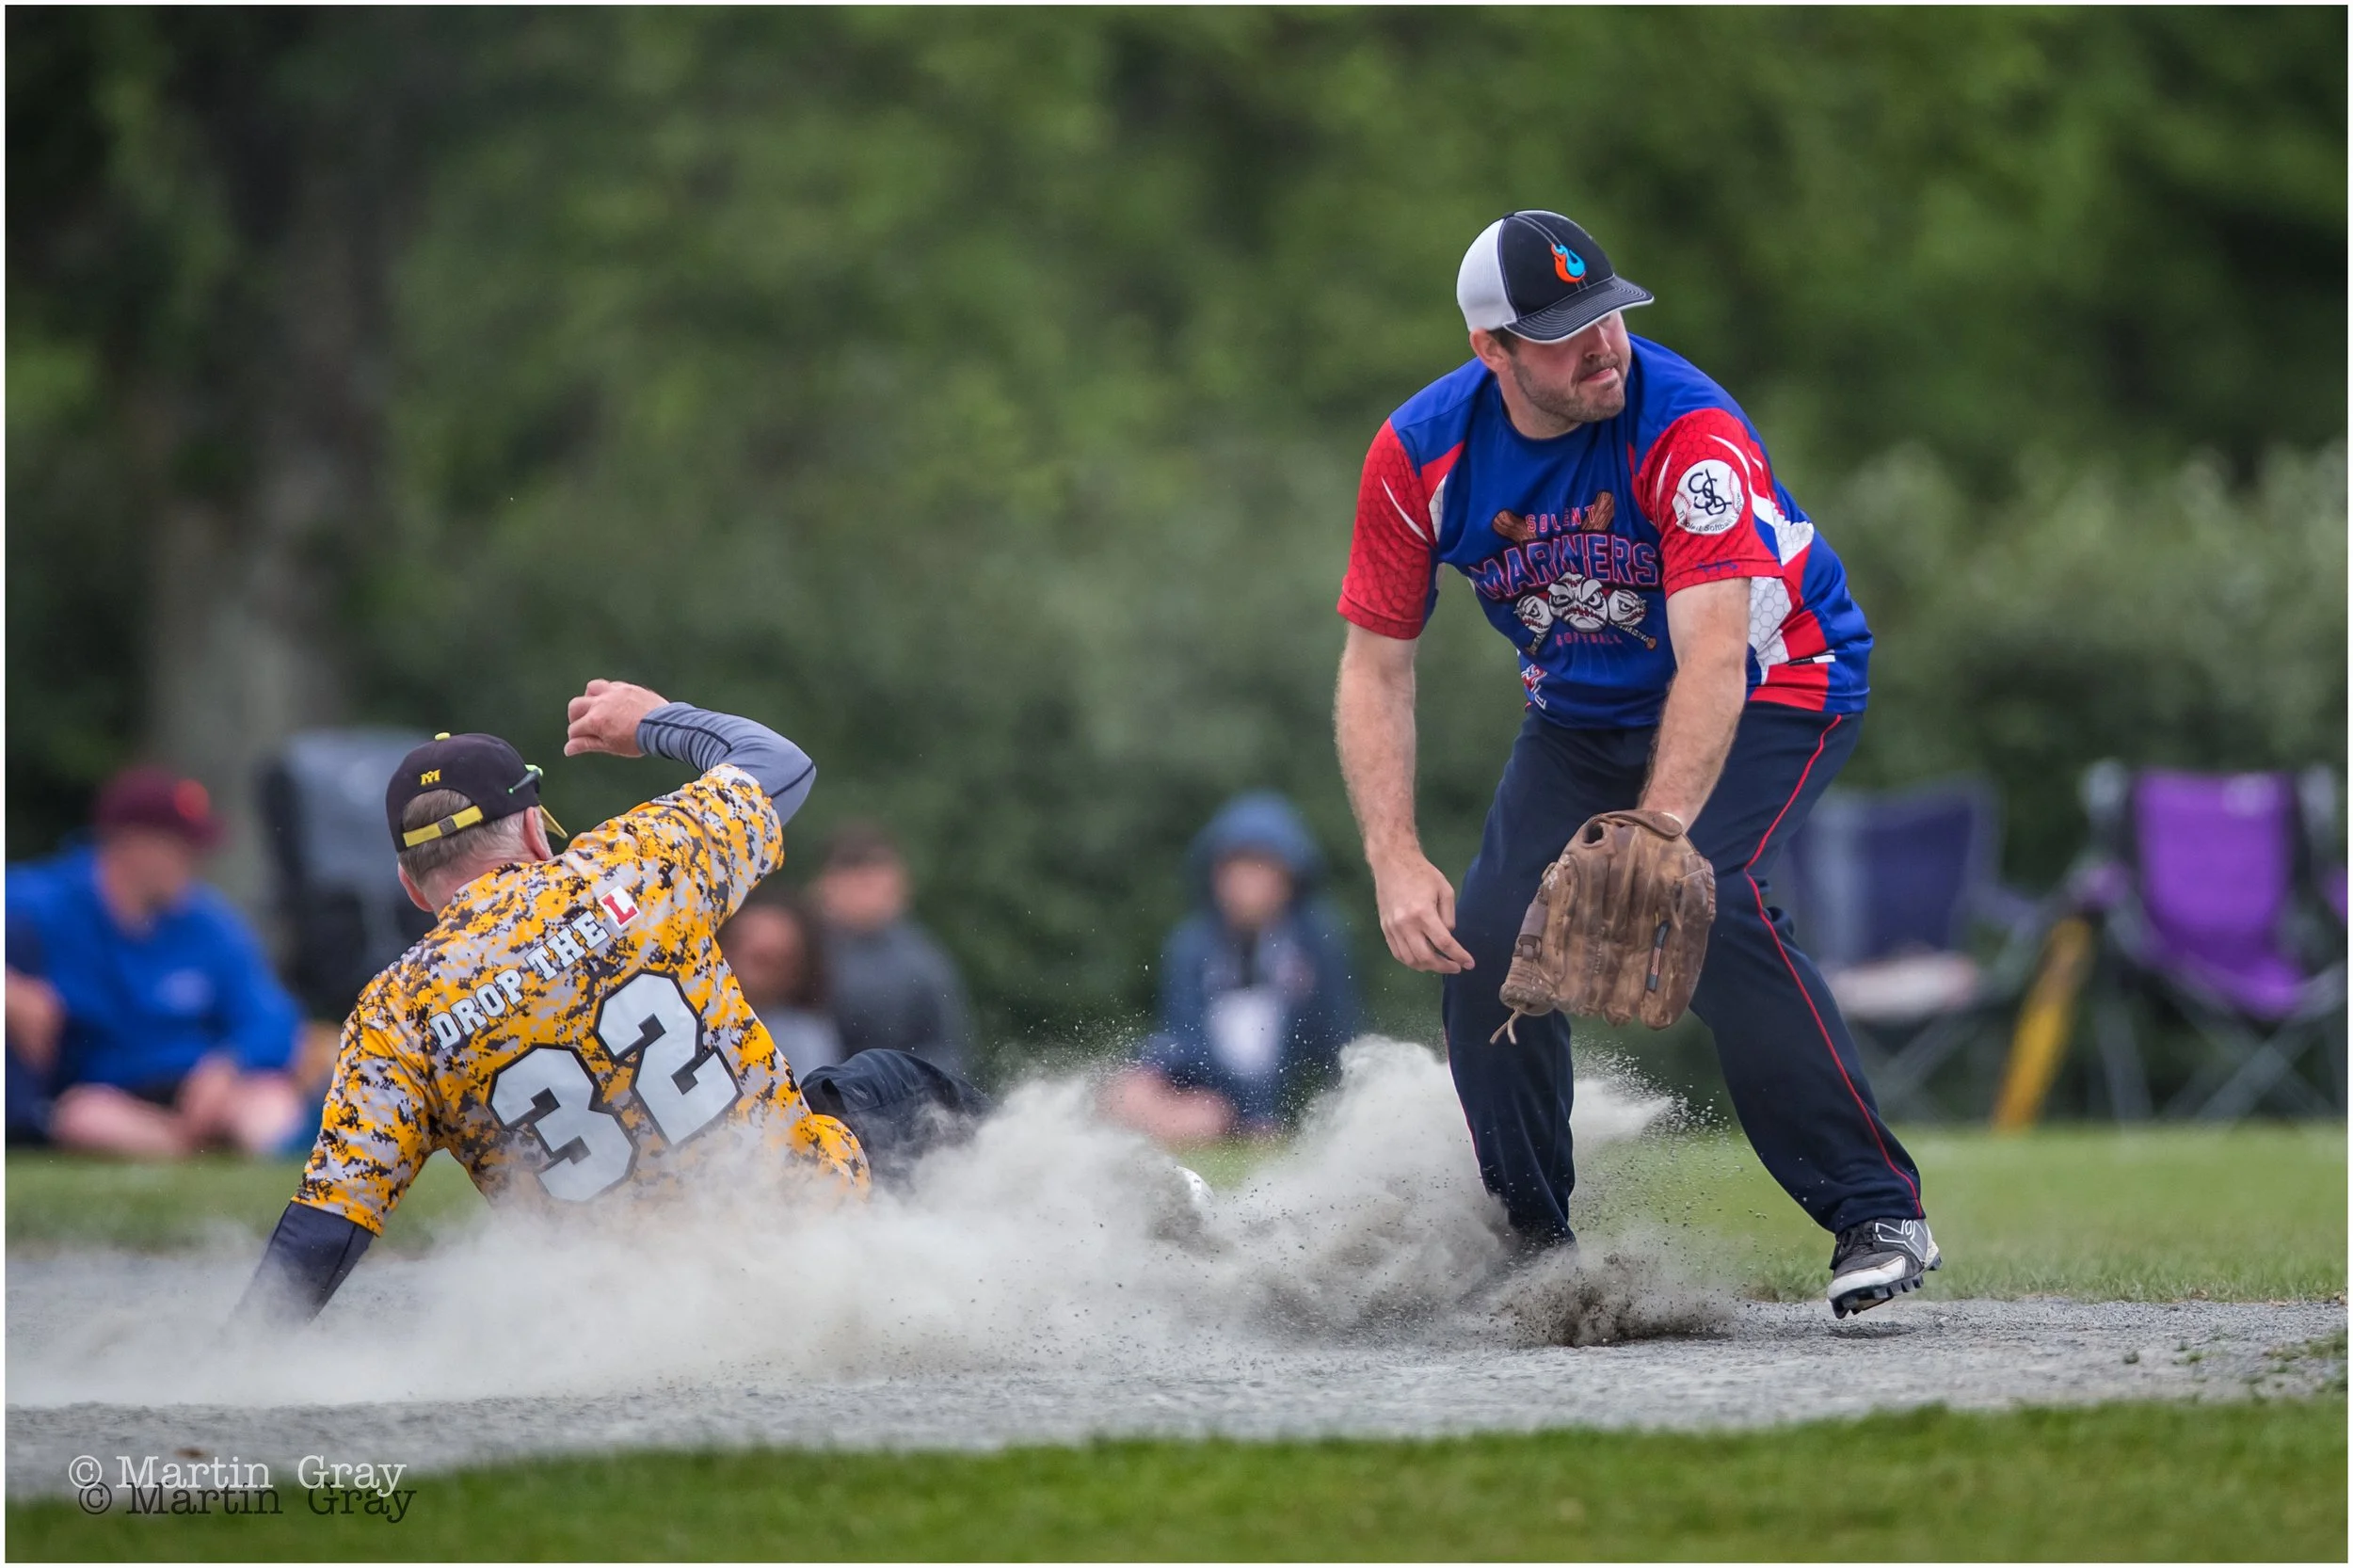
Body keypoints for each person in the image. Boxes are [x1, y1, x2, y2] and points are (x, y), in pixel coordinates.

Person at [1332, 210, 1937, 1318]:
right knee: (1487, 945)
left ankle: (1873, 1207)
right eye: (1564, 333)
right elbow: (1376, 667)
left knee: (1712, 899)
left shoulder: (1685, 427)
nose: (1602, 344)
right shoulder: (1419, 454)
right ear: (1493, 352)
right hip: (1579, 713)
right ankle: (1537, 1250)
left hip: (1778, 678)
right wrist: (1393, 853)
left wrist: (1657, 842)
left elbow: (1713, 652)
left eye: (1607, 313)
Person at [235, 680, 986, 1324]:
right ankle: (1040, 1222)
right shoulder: (632, 868)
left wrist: (233, 1365)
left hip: (627, 1317)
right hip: (801, 1237)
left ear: (410, 884)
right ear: (533, 828)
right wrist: (654, 720)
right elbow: (782, 766)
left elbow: (325, 1229)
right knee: (887, 1083)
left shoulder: (397, 1012)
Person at [5, 766, 306, 1157]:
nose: (193, 861)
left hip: (198, 1086)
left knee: (269, 1099)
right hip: (103, 1093)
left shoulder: (207, 921)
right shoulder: (47, 902)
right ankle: (193, 1153)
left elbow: (272, 1017)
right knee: (86, 1119)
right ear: (131, 842)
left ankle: (279, 1166)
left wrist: (230, 1066)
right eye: (180, 846)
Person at [1105, 792, 1357, 1143]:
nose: (1246, 884)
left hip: (1279, 1100)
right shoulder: (1191, 943)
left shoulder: (1316, 943)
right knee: (1130, 1093)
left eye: (1261, 868)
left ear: (1289, 878)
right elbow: (1184, 1034)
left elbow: (1336, 1036)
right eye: (1235, 869)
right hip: (1210, 1091)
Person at [812, 821, 972, 1074]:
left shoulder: (922, 960)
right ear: (828, 886)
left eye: (876, 882)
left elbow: (948, 1049)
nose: (867, 893)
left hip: (892, 1089)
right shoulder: (800, 945)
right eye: (858, 882)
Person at [719, 886, 843, 1074]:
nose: (751, 972)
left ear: (797, 972)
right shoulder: (681, 1012)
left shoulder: (805, 1039)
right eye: (741, 946)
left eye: (768, 960)